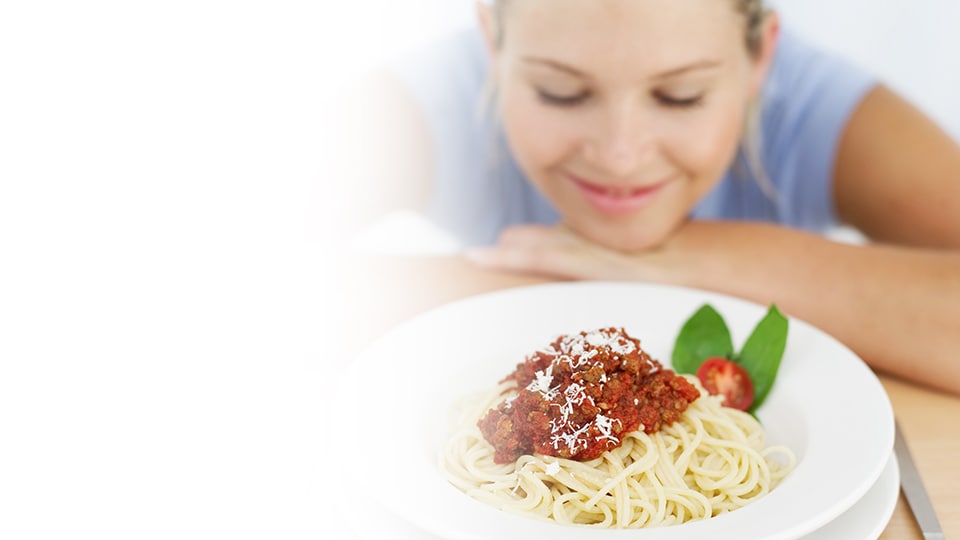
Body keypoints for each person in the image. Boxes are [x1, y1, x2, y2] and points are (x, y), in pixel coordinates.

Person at [339, 0, 960, 395]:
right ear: (491, 44)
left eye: (680, 96)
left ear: (759, 57)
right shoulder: (418, 104)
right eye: (560, 92)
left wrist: (712, 260)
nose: (619, 155)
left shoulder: (816, 106)